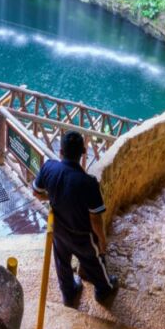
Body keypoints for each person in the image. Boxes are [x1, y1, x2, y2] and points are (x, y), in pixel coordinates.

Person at [34, 131, 118, 308]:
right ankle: (103, 290)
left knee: (62, 261)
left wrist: (53, 197)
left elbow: (37, 192)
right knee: (93, 261)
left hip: (58, 228)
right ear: (83, 152)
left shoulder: (49, 167)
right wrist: (102, 240)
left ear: (61, 151)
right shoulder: (88, 183)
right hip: (82, 236)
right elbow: (95, 218)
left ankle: (69, 293)